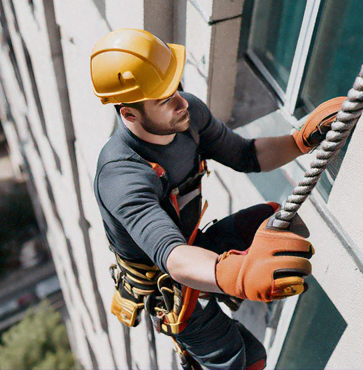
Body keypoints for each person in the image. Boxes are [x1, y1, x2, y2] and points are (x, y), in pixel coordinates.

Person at [91, 28, 344, 370]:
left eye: (175, 87)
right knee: (247, 359)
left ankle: (222, 288)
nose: (181, 102)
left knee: (271, 222)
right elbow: (173, 257)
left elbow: (245, 155)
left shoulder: (188, 115)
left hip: (195, 244)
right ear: (130, 115)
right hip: (168, 284)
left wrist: (299, 141)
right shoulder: (121, 176)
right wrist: (238, 275)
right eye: (164, 100)